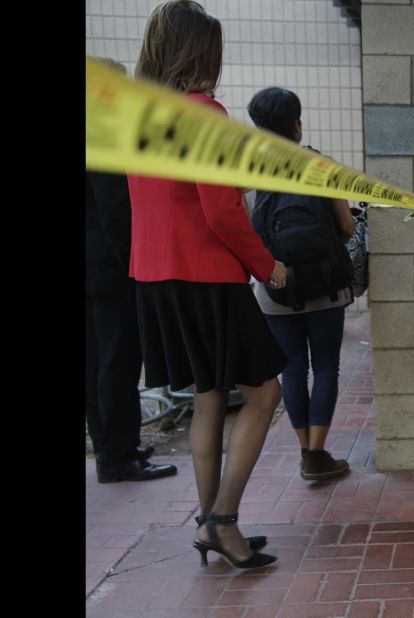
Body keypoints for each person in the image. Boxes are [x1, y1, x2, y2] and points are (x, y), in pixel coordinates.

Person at [128, 0, 283, 569]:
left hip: (155, 276)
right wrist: (269, 265)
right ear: (201, 51)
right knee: (266, 392)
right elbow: (220, 212)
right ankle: (222, 520)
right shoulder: (204, 114)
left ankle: (209, 523)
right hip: (206, 275)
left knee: (209, 396)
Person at [246, 87, 356, 481]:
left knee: (292, 370)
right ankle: (316, 453)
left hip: (275, 289)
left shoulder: (247, 173)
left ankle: (303, 451)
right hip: (325, 287)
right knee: (326, 369)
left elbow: (246, 234)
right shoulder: (320, 165)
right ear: (297, 123)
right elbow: (345, 226)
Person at [86, 60, 178, 484]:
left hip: (93, 266)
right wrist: (137, 263)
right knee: (118, 361)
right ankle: (117, 456)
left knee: (95, 362)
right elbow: (116, 211)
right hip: (111, 268)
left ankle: (110, 445)